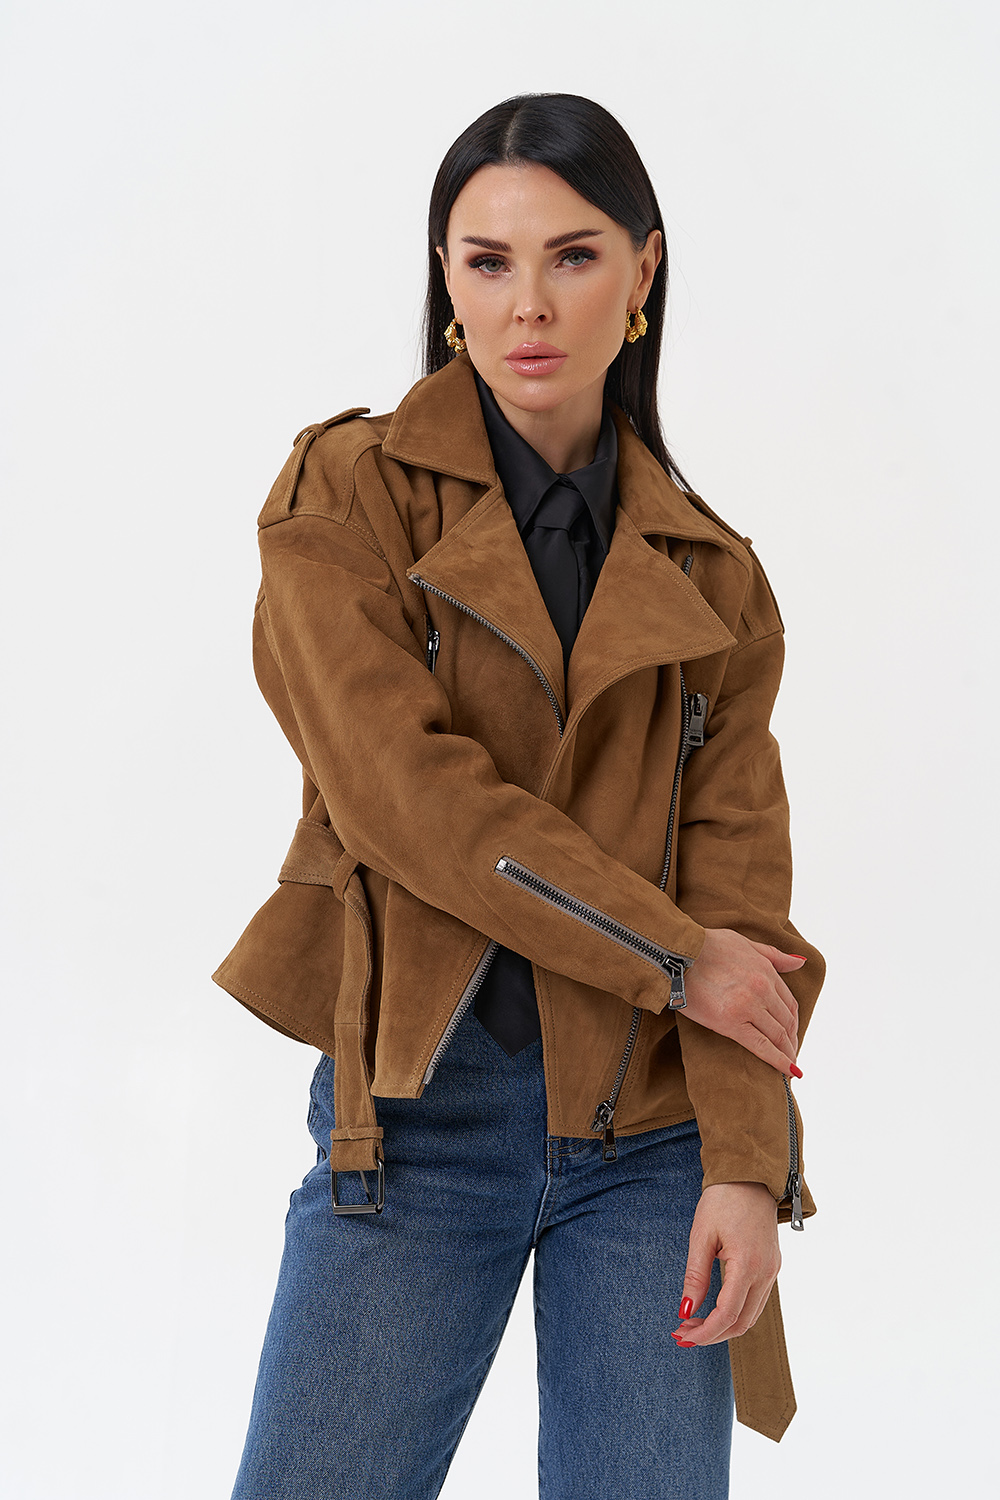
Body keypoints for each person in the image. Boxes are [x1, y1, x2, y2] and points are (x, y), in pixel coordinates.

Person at [214, 92, 825, 1500]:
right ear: (445, 280)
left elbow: (742, 903)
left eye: (574, 256)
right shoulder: (345, 497)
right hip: (416, 1124)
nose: (527, 305)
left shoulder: (716, 578)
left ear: (644, 273)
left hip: (651, 1140)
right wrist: (670, 956)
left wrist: (746, 1164)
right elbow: (408, 801)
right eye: (487, 261)